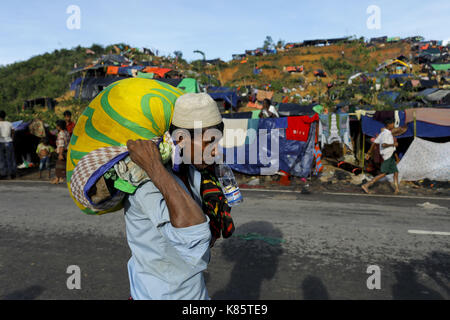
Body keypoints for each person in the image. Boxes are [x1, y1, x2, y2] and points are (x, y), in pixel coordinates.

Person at [125, 93, 233, 300]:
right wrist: (154, 167)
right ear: (181, 139)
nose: (215, 152)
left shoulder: (192, 171)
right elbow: (195, 236)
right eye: (210, 142)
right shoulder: (146, 179)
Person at [362, 118, 400, 195]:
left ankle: (396, 189)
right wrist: (394, 144)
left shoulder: (383, 133)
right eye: (392, 124)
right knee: (384, 173)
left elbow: (375, 142)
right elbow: (383, 145)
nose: (393, 125)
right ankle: (366, 185)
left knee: (396, 172)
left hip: (390, 155)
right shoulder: (386, 134)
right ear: (389, 125)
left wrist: (369, 152)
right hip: (387, 155)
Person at [52, 120, 70, 184]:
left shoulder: (61, 133)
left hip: (62, 151)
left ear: (59, 126)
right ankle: (59, 178)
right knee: (63, 166)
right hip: (66, 151)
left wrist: (60, 154)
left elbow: (61, 145)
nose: (56, 127)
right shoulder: (66, 132)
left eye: (57, 125)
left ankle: (58, 179)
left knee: (59, 166)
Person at [0, 110, 16, 179]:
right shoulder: (9, 123)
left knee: (1, 159)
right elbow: (13, 132)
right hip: (9, 142)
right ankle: (11, 173)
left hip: (0, 142)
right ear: (5, 116)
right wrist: (12, 139)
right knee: (10, 158)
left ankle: (3, 173)